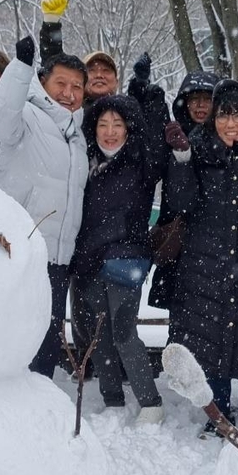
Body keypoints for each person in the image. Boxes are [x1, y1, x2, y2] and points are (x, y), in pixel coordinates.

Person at [164, 80, 238, 432]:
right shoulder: (197, 150)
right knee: (208, 342)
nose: (230, 124)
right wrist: (183, 159)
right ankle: (216, 419)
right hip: (204, 262)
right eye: (222, 116)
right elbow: (182, 203)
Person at [0, 36, 89, 377]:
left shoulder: (77, 134)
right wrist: (20, 67)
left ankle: (37, 405)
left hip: (59, 257)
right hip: (21, 249)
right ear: (43, 82)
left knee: (47, 336)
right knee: (11, 333)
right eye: (60, 83)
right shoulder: (26, 115)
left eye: (77, 86)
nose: (69, 93)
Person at [72, 94, 165, 422]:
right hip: (90, 257)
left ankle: (151, 402)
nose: (110, 131)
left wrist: (144, 89)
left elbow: (158, 141)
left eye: (117, 124)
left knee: (124, 332)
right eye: (102, 124)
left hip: (127, 258)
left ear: (128, 128)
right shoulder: (82, 160)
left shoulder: (141, 158)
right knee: (100, 334)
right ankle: (112, 399)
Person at [147, 69, 220, 310]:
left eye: (207, 99)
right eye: (193, 99)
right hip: (180, 247)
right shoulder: (172, 136)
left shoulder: (228, 139)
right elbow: (179, 199)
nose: (200, 106)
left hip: (215, 246)